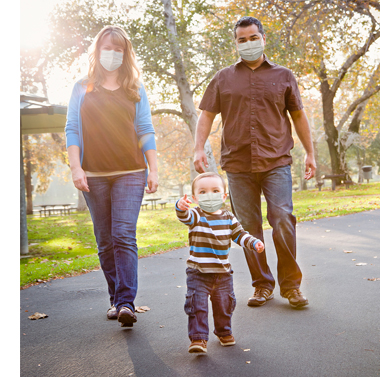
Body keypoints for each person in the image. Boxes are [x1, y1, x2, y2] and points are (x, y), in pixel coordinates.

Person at [193, 16, 316, 309]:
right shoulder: (223, 78)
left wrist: (310, 153)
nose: (247, 43)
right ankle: (262, 285)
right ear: (235, 43)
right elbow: (207, 115)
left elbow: (298, 115)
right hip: (237, 165)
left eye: (252, 38)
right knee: (248, 228)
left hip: (276, 161)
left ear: (262, 38)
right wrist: (199, 148)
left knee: (282, 219)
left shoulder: (284, 75)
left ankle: (291, 286)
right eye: (241, 39)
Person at [64, 25, 158, 327]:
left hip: (131, 171)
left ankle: (126, 302)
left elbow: (145, 130)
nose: (113, 54)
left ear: (125, 53)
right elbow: (72, 130)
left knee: (122, 234)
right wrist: (76, 167)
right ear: (97, 50)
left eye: (119, 50)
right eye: (108, 48)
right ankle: (115, 299)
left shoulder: (135, 88)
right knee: (105, 240)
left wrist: (153, 168)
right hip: (93, 174)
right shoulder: (82, 87)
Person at [176, 172, 265, 353]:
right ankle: (199, 339)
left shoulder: (228, 217)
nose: (209, 195)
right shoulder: (196, 215)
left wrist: (253, 242)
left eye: (215, 190)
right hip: (198, 273)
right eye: (203, 192)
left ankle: (224, 331)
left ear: (224, 195)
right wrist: (180, 207)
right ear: (195, 197)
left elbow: (240, 235)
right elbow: (184, 216)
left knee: (224, 305)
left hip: (222, 273)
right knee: (197, 306)